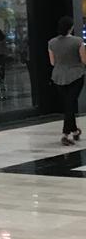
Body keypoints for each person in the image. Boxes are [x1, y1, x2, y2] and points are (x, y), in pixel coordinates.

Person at [48, 16, 86, 147]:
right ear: (71, 27)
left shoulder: (52, 42)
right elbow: (84, 59)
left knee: (68, 104)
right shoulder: (78, 41)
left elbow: (52, 62)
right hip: (76, 75)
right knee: (70, 104)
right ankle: (65, 134)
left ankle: (75, 131)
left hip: (58, 77)